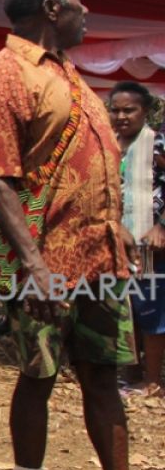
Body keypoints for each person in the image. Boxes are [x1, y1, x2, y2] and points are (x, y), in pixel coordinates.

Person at [0, 0, 157, 470]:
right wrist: (35, 266)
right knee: (38, 377)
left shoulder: (70, 74)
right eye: (78, 2)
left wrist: (116, 228)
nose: (87, 11)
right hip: (45, 266)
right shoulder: (4, 78)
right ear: (52, 8)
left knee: (104, 378)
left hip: (98, 260)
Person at [109, 81, 165, 396]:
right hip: (117, 240)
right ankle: (130, 373)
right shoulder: (109, 145)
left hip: (150, 242)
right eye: (115, 110)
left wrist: (161, 227)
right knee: (124, 305)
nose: (122, 116)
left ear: (145, 111)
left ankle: (153, 379)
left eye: (129, 110)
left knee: (152, 307)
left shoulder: (157, 144)